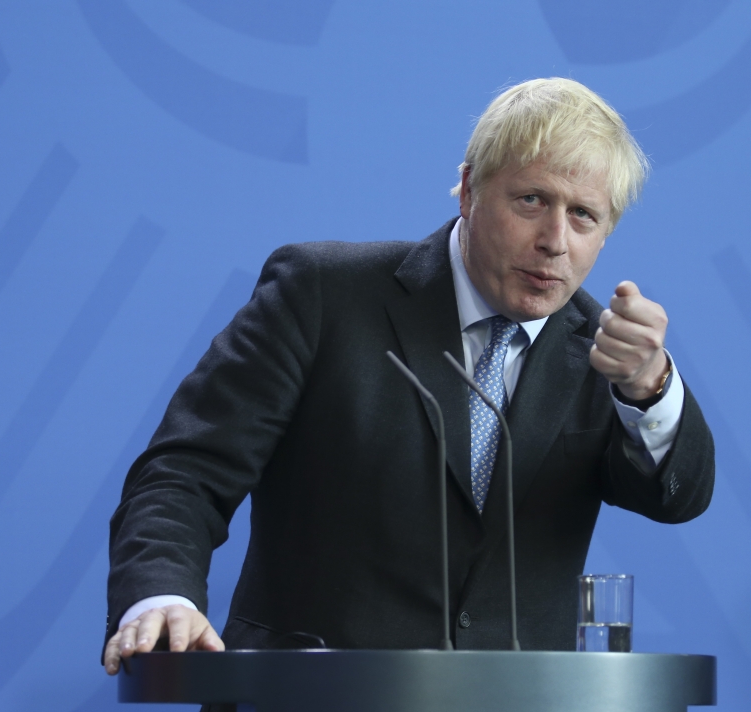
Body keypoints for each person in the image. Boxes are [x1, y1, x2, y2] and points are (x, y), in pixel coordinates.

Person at [103, 78, 715, 674]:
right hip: (311, 695)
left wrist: (649, 387)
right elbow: (185, 472)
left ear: (605, 235)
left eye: (583, 215)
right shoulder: (322, 295)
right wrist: (163, 594)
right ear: (470, 191)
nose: (555, 240)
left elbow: (677, 498)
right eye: (533, 200)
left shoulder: (605, 352)